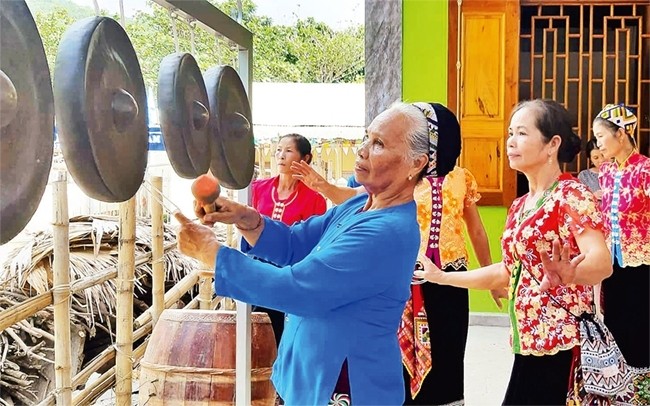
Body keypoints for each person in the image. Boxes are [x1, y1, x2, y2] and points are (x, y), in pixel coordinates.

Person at [174, 102, 431, 405]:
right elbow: (295, 243)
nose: (362, 151)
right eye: (366, 138)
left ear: (415, 164)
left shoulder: (387, 232)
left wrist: (212, 254)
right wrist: (244, 218)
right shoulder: (358, 205)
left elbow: (296, 289)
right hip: (306, 375)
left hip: (341, 383)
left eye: (378, 144)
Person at [292, 102, 498, 405]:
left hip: (449, 279)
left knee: (448, 350)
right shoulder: (401, 176)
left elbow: (477, 231)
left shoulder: (461, 179)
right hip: (403, 276)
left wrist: (489, 275)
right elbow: (353, 198)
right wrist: (321, 185)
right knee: (398, 354)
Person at [414, 99, 612, 405]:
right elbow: (507, 271)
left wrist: (573, 273)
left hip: (561, 343)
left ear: (552, 145)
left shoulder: (571, 195)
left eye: (521, 133)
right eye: (509, 133)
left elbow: (601, 261)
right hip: (527, 342)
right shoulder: (521, 206)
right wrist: (441, 277)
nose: (510, 142)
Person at [592, 103, 650, 404]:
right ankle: (622, 392)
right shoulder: (607, 172)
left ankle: (644, 393)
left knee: (640, 324)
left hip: (641, 264)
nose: (598, 143)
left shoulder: (646, 170)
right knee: (614, 324)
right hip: (612, 265)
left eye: (602, 136)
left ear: (622, 133)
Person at [250, 133, 327, 345]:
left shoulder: (315, 199)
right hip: (257, 273)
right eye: (278, 150)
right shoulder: (258, 189)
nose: (281, 155)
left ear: (306, 159)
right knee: (255, 334)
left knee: (285, 336)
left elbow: (314, 243)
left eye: (288, 150)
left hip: (290, 277)